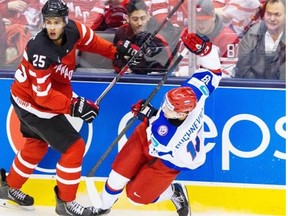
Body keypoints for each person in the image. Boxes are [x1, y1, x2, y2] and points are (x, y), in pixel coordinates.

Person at [0, 0, 140, 216]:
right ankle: (65, 202)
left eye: (57, 22)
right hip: (33, 103)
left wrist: (116, 52)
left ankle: (8, 187)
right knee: (74, 148)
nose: (53, 27)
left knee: (36, 145)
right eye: (49, 22)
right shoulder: (40, 50)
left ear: (65, 21)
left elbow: (92, 42)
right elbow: (43, 96)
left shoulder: (74, 29)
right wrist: (73, 106)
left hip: (25, 96)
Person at [91, 30, 222, 216]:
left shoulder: (169, 138)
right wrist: (205, 50)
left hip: (172, 159)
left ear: (182, 113)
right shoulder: (194, 93)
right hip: (151, 134)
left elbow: (156, 144)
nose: (165, 107)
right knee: (118, 175)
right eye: (166, 104)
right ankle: (102, 207)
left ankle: (174, 192)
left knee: (136, 196)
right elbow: (213, 72)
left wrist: (148, 115)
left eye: (169, 108)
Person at [112, 0, 180, 74]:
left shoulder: (160, 33)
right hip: (128, 78)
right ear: (127, 18)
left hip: (156, 79)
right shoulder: (121, 33)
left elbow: (165, 65)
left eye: (143, 18)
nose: (140, 23)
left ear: (148, 16)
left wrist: (134, 64)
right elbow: (116, 59)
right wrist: (122, 67)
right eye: (135, 19)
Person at [234, 0, 285, 80]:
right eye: (268, 14)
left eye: (277, 15)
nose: (272, 19)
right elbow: (242, 68)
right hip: (255, 87)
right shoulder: (252, 33)